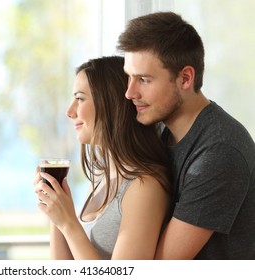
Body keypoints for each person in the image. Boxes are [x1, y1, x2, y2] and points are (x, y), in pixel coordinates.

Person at [117, 11, 255, 259]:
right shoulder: (158, 131)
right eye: (129, 77)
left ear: (185, 78)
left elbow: (159, 268)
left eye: (144, 79)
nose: (129, 92)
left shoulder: (220, 151)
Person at [33, 56, 172, 259]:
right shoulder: (102, 178)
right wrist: (56, 213)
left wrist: (68, 222)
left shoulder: (145, 187)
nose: (70, 111)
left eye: (80, 99)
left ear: (111, 105)